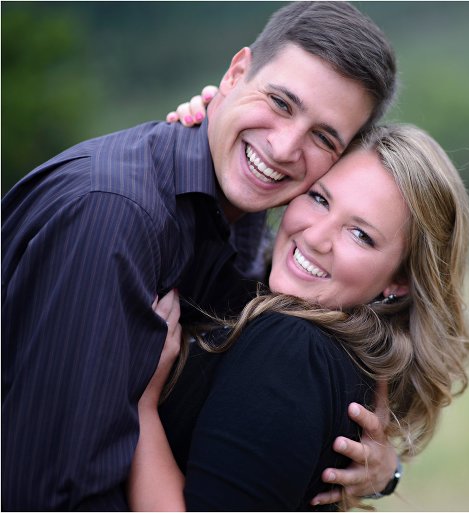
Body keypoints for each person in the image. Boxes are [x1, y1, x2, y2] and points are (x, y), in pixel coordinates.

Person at [1, 3, 399, 510]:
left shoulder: (248, 217)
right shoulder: (112, 216)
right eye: (279, 102)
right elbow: (52, 493)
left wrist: (385, 468)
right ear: (235, 74)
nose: (282, 147)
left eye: (323, 137)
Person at [127, 123, 469, 511]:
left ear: (401, 281)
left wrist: (142, 406)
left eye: (360, 234)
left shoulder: (289, 348)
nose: (314, 236)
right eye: (320, 199)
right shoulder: (331, 347)